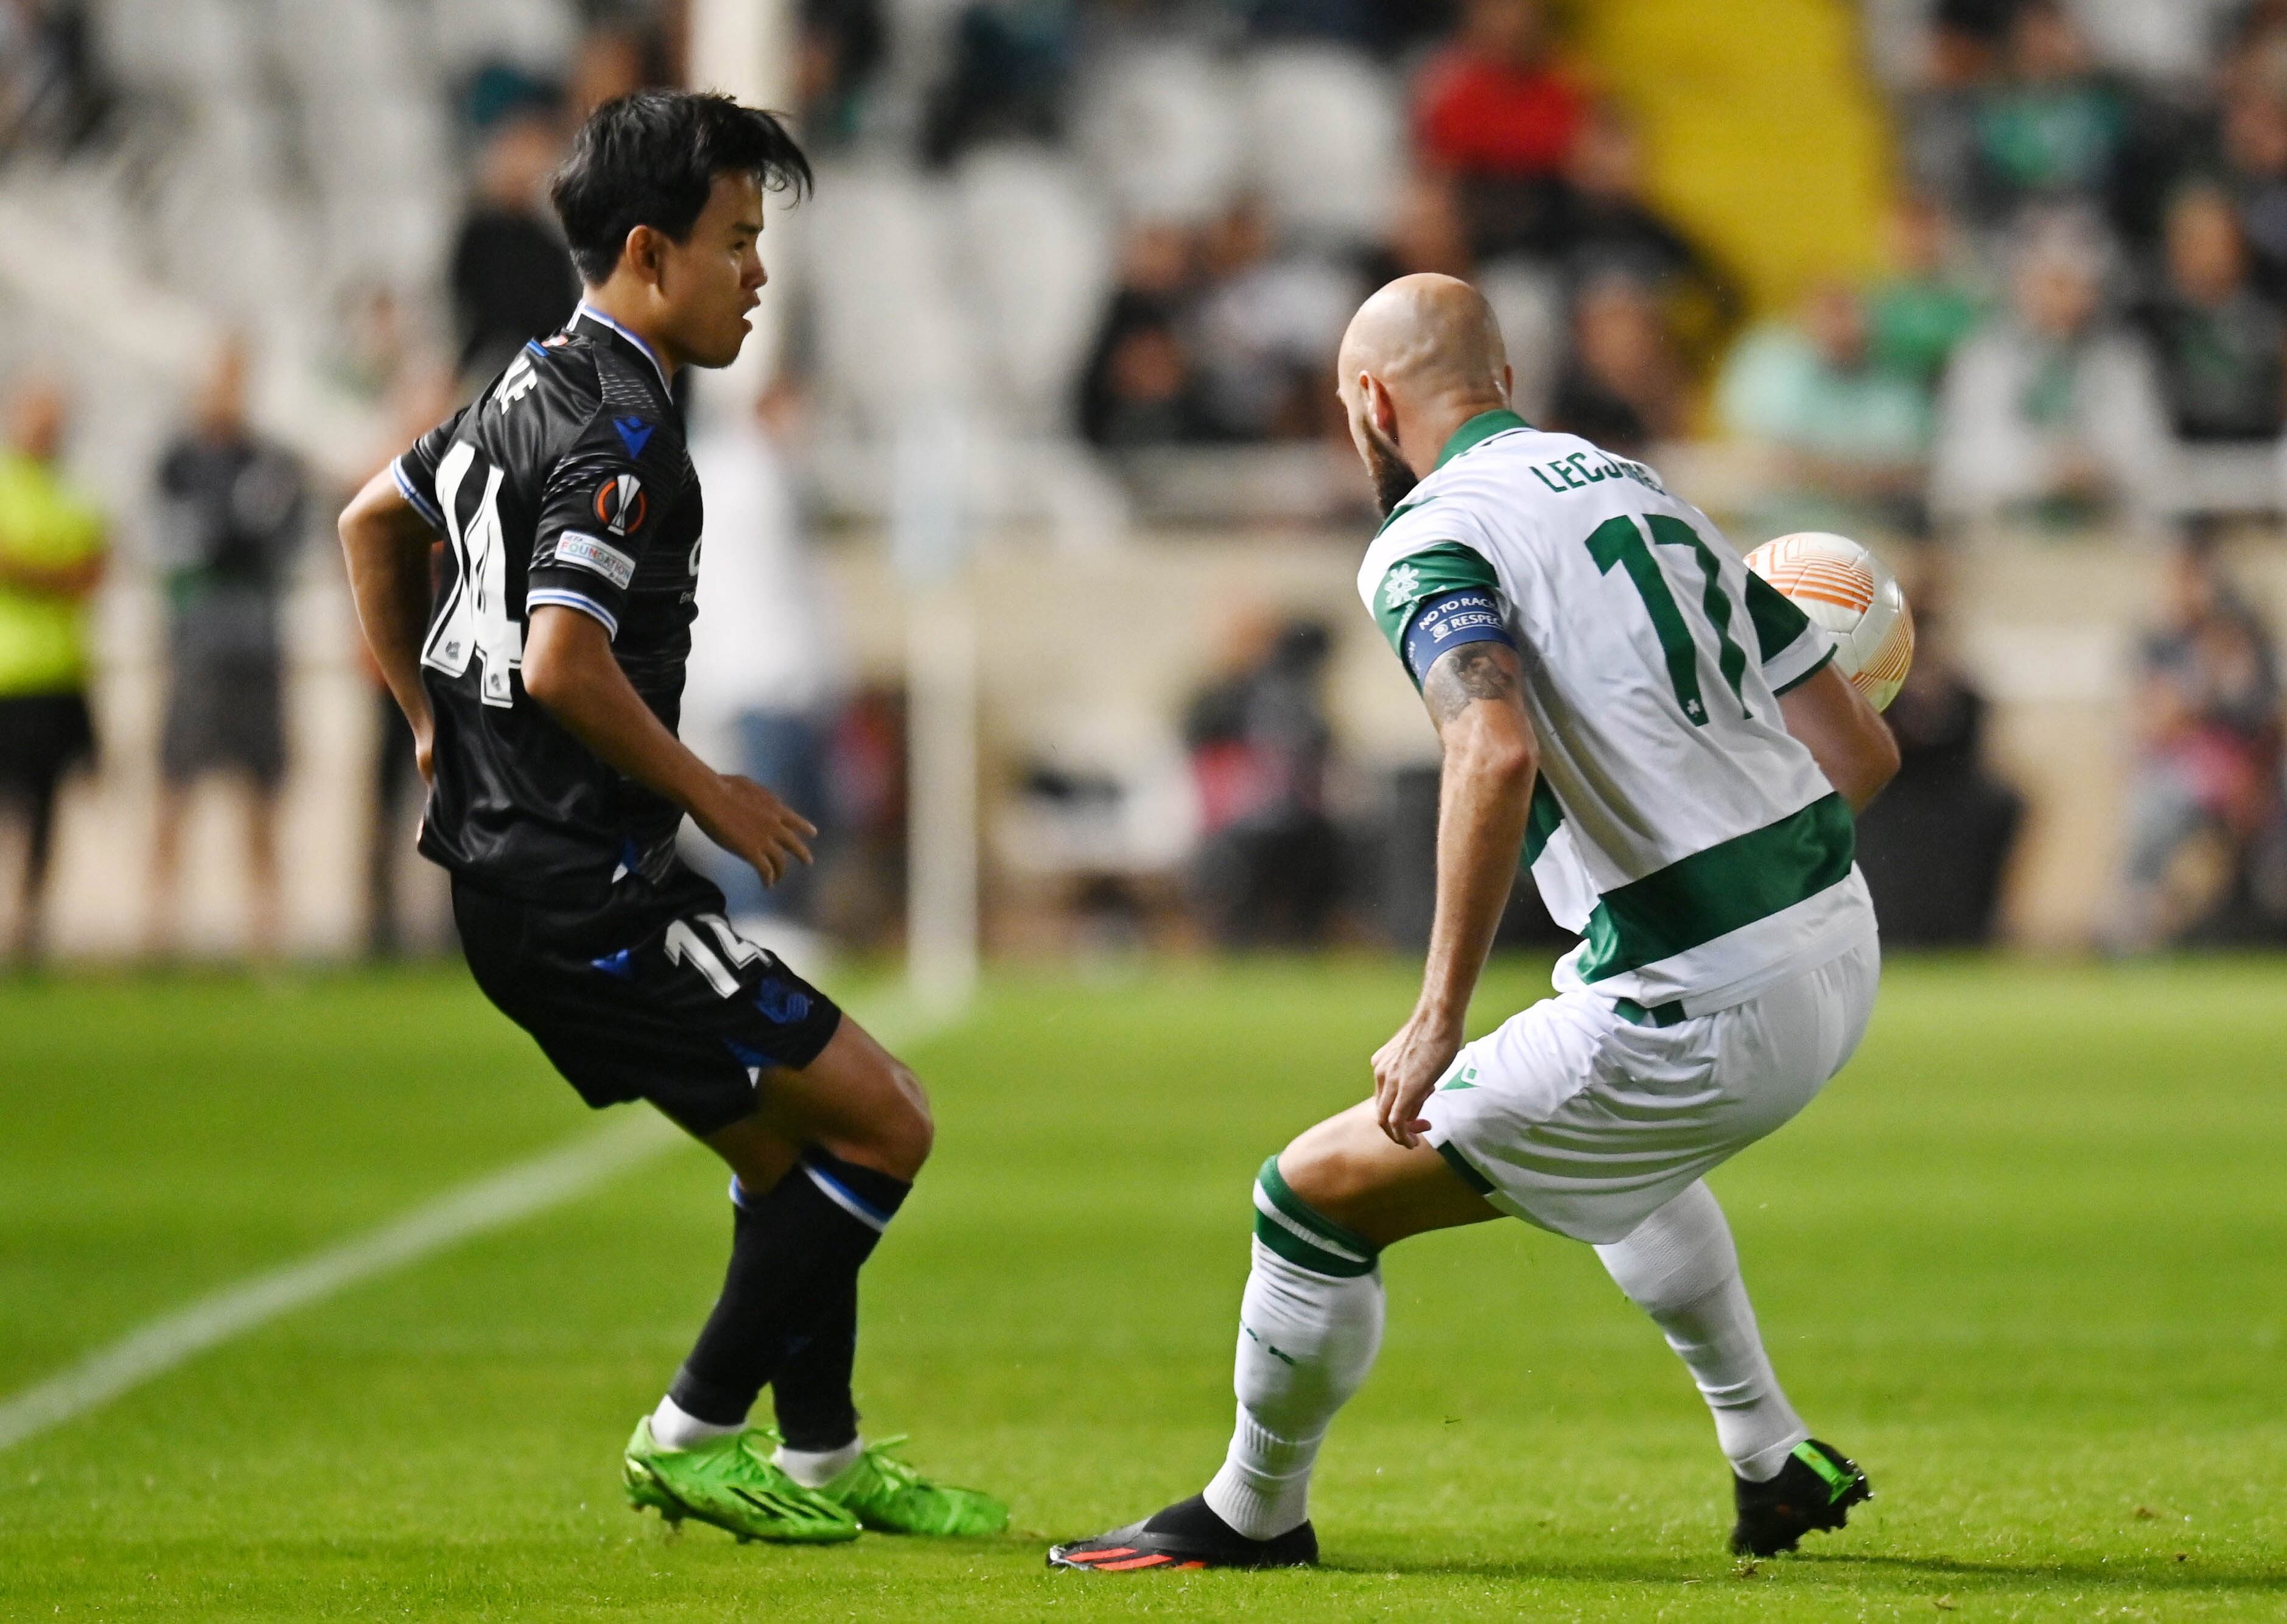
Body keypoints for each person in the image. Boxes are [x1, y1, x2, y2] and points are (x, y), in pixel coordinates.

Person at [1051, 273, 1900, 1571]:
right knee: (1623, 1169)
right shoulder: (1641, 481)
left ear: (1373, 402)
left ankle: (1252, 1512)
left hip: (1697, 999)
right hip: (1837, 942)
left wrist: (1436, 1014)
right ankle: (1770, 1457)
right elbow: (1859, 751)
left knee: (1310, 1196)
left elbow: (1490, 750)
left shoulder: (1425, 537)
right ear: (1502, 377)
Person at [335, 90, 1004, 1547]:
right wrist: (711, 789)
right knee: (888, 1123)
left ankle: (819, 1457)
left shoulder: (523, 384)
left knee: (787, 1164)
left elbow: (371, 522)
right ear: (649, 252)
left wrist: (426, 723)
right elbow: (567, 657)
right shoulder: (628, 431)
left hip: (540, 878)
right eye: (737, 242)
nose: (758, 274)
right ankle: (690, 1432)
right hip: (584, 891)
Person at [149, 337, 306, 959]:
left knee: (262, 792)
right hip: (195, 647)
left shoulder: (270, 461)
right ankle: (157, 931)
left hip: (257, 644)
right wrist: (233, 535)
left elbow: (283, 541)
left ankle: (266, 937)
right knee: (174, 785)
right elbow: (180, 542)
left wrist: (231, 537)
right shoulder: (176, 462)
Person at [0, 373, 105, 964]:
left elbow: (93, 571)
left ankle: (27, 928)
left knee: (46, 813)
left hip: (60, 674)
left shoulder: (76, 490)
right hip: (7, 674)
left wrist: (34, 572)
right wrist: (54, 575)